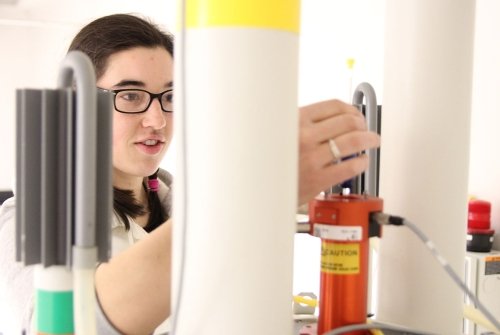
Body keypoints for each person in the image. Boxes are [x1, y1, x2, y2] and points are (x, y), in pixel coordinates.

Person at [0, 13, 380, 335]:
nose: (157, 120)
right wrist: (247, 189)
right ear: (79, 102)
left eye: (169, 96)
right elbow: (64, 328)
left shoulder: (185, 200)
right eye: (130, 95)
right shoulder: (27, 218)